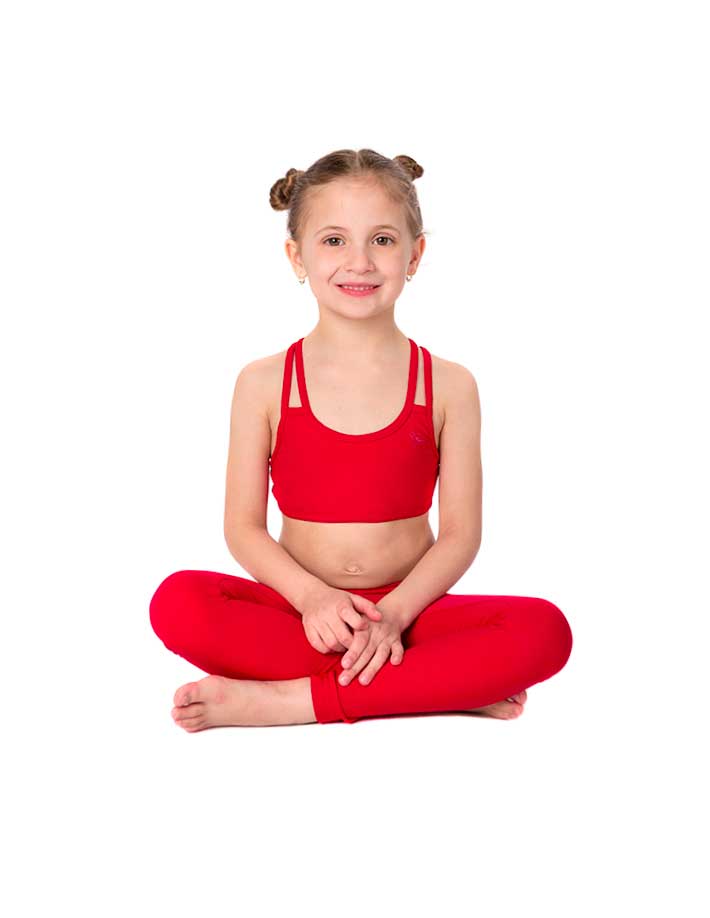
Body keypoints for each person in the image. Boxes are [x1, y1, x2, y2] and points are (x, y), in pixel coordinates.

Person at [149, 147, 573, 731]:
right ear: (296, 256)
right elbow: (242, 529)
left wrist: (394, 614)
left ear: (414, 254)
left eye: (382, 240)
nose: (360, 262)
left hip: (412, 613)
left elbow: (461, 534)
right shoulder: (263, 383)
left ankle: (289, 702)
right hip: (301, 613)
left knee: (544, 631)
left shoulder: (449, 385)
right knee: (177, 602)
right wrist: (313, 599)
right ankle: (428, 686)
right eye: (333, 240)